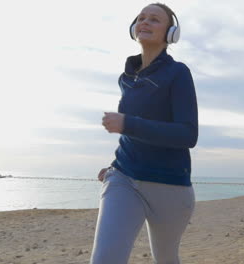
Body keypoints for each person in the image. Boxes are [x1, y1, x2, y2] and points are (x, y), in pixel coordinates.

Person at [89, 3, 198, 264]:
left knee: (166, 259)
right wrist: (115, 166)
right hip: (124, 178)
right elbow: (131, 133)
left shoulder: (178, 73)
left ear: (171, 32)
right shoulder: (126, 77)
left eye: (154, 19)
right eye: (141, 18)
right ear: (133, 27)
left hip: (170, 185)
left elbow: (187, 134)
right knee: (105, 259)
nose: (145, 22)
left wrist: (128, 124)